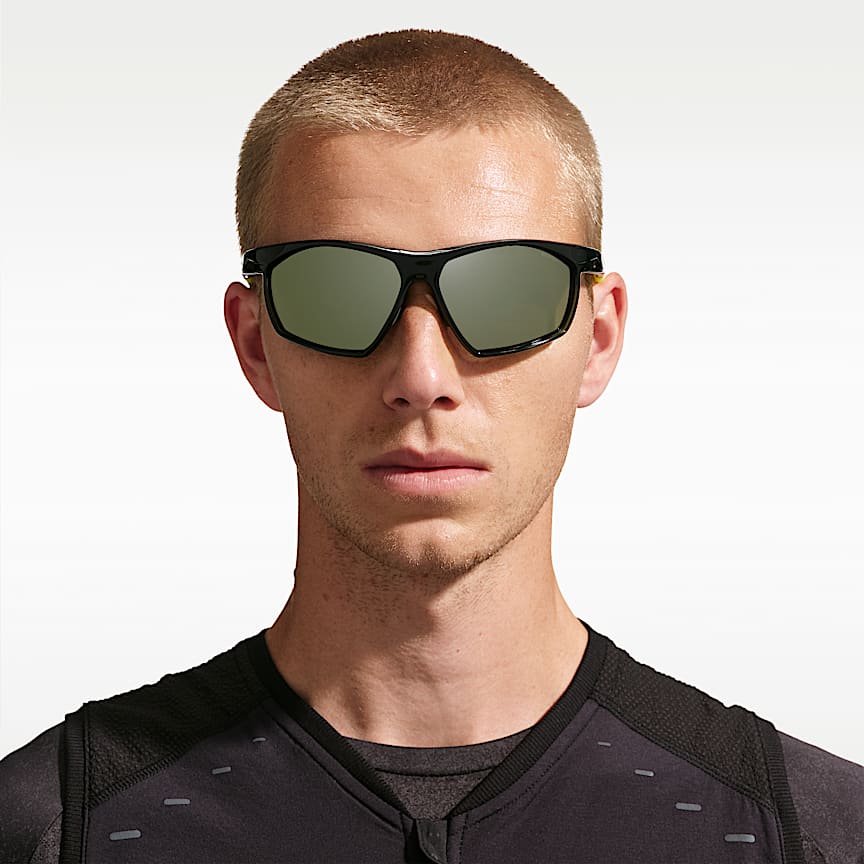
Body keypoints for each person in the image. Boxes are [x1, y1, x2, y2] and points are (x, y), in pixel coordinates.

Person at [1, 28, 861, 864]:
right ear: (256, 344)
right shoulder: (52, 828)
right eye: (336, 291)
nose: (421, 376)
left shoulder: (812, 834)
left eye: (508, 291)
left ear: (598, 339)